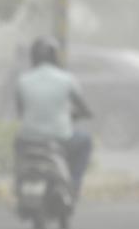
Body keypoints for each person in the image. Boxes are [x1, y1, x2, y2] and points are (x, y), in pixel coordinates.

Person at [14, 36, 93, 194]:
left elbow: (21, 111)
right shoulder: (66, 79)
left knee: (17, 147)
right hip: (60, 138)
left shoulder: (22, 80)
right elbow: (82, 107)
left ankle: (18, 184)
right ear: (56, 57)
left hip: (28, 139)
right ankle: (74, 185)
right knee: (85, 141)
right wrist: (78, 115)